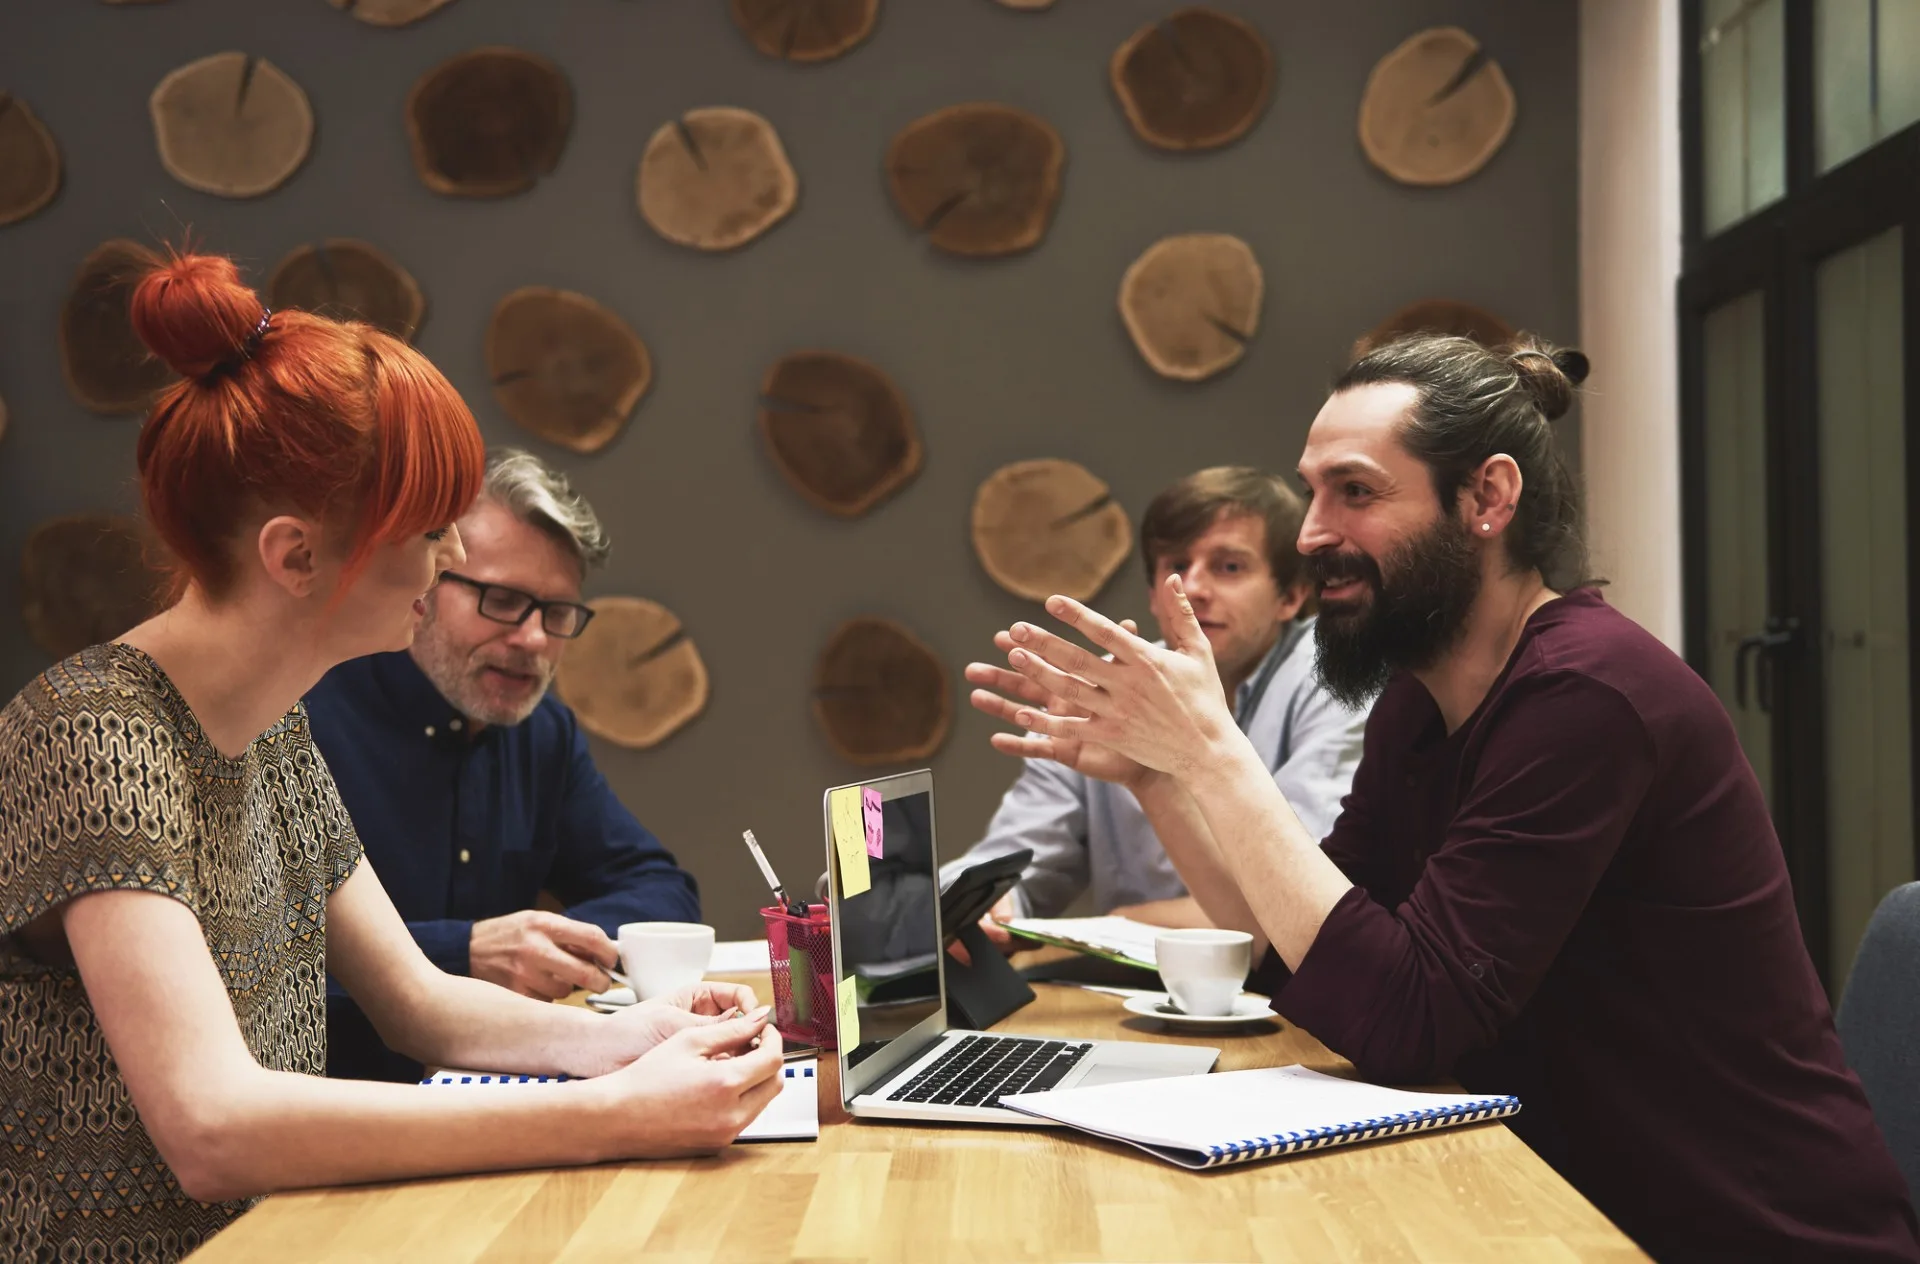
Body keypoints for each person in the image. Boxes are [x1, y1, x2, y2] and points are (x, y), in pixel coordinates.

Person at [967, 334, 1920, 1260]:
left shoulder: (1587, 697)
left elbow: (1408, 1019)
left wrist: (1215, 752)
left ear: (1488, 497)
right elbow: (1301, 956)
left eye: (1356, 492)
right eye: (1311, 493)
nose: (1312, 534)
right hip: (1542, 1196)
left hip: (1723, 1231)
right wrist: (1159, 778)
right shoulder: (1422, 702)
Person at [0, 250, 783, 1263]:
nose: (448, 563)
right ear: (295, 555)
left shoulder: (270, 725)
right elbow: (212, 1127)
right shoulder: (92, 733)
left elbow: (422, 1007)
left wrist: (640, 1041)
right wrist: (619, 1111)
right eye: (426, 534)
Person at [307, 450, 701, 1082]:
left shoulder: (541, 733)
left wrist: (547, 943)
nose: (535, 640)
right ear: (424, 587)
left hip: (498, 1097)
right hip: (335, 1113)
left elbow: (662, 890)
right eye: (502, 600)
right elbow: (264, 970)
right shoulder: (306, 721)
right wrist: (462, 952)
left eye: (557, 612)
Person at [946, 467, 1367, 945]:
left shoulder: (1330, 675)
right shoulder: (1105, 690)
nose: (1195, 588)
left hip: (1294, 998)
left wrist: (1129, 920)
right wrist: (972, 905)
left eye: (1229, 567)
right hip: (1127, 1001)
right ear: (1151, 594)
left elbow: (1309, 903)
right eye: (1176, 568)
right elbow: (1016, 858)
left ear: (1291, 596)